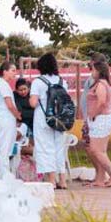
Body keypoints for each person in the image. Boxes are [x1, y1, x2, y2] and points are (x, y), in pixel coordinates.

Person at [29, 53, 69, 190]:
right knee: (59, 148)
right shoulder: (63, 82)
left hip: (43, 118)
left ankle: (51, 181)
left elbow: (33, 103)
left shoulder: (38, 82)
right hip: (60, 119)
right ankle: (62, 180)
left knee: (46, 148)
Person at [84, 61, 111, 187]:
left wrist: (94, 113)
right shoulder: (102, 84)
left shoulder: (101, 85)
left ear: (99, 71)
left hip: (101, 119)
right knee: (100, 151)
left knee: (96, 150)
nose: (91, 72)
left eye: (93, 70)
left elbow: (102, 101)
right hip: (101, 119)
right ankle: (100, 179)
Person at [0, 62, 23, 180]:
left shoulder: (1, 84)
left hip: (4, 118)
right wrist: (18, 115)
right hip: (5, 118)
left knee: (3, 147)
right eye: (13, 70)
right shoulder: (3, 85)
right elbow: (9, 104)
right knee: (4, 147)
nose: (15, 73)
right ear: (5, 71)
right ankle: (3, 174)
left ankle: (1, 174)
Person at [79, 52, 107, 146]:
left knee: (93, 147)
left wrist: (92, 115)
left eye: (91, 60)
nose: (89, 62)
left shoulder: (98, 79)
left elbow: (100, 100)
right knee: (89, 145)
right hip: (89, 116)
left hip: (92, 117)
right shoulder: (93, 77)